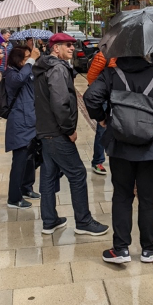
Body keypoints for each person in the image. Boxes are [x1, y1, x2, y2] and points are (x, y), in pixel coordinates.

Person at [84, 55, 153, 265]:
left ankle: (120, 248)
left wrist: (102, 119)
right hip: (152, 147)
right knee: (149, 198)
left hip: (121, 146)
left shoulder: (111, 74)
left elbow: (90, 97)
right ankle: (149, 247)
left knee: (122, 196)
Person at [33, 33, 109, 237]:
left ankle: (49, 221)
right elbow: (60, 102)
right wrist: (69, 130)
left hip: (45, 130)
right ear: (55, 48)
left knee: (48, 176)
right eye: (67, 45)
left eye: (72, 45)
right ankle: (83, 221)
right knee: (77, 173)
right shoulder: (57, 68)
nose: (72, 48)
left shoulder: (45, 65)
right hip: (57, 132)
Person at [5, 45, 42, 209]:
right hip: (19, 123)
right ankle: (14, 197)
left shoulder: (27, 71)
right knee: (19, 161)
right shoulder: (11, 74)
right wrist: (32, 60)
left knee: (30, 159)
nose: (29, 60)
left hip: (32, 121)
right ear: (18, 60)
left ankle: (27, 188)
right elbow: (19, 80)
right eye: (26, 58)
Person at [87, 51, 117, 175]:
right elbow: (92, 76)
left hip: (120, 97)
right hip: (105, 97)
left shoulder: (127, 56)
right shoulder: (104, 55)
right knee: (102, 129)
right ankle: (97, 161)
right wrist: (100, 91)